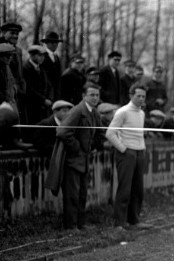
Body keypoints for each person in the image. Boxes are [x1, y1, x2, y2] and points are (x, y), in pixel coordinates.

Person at [56, 83, 104, 230]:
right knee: (72, 195)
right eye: (92, 95)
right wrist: (77, 148)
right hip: (72, 160)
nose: (95, 98)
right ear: (84, 96)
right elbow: (62, 132)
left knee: (82, 193)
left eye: (97, 95)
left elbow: (100, 133)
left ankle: (80, 224)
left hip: (84, 159)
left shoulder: (94, 112)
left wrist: (95, 146)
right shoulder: (77, 111)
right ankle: (71, 226)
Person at [105, 83, 153, 231]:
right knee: (124, 189)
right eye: (138, 95)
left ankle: (134, 221)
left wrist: (142, 149)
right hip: (126, 153)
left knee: (138, 189)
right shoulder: (122, 112)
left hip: (139, 153)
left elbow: (140, 134)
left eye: (143, 96)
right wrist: (123, 149)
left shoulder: (142, 113)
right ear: (131, 95)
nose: (141, 99)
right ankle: (119, 223)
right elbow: (110, 133)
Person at [23, 45, 52, 124]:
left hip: (43, 106)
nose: (42, 58)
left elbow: (48, 85)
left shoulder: (41, 68)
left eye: (43, 55)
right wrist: (43, 100)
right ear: (32, 55)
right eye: (40, 55)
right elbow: (29, 89)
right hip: (31, 106)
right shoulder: (25, 68)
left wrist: (48, 98)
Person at [39, 31, 63, 99]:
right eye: (52, 42)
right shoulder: (42, 56)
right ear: (46, 43)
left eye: (56, 42)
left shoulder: (57, 57)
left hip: (56, 94)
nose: (55, 44)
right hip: (45, 93)